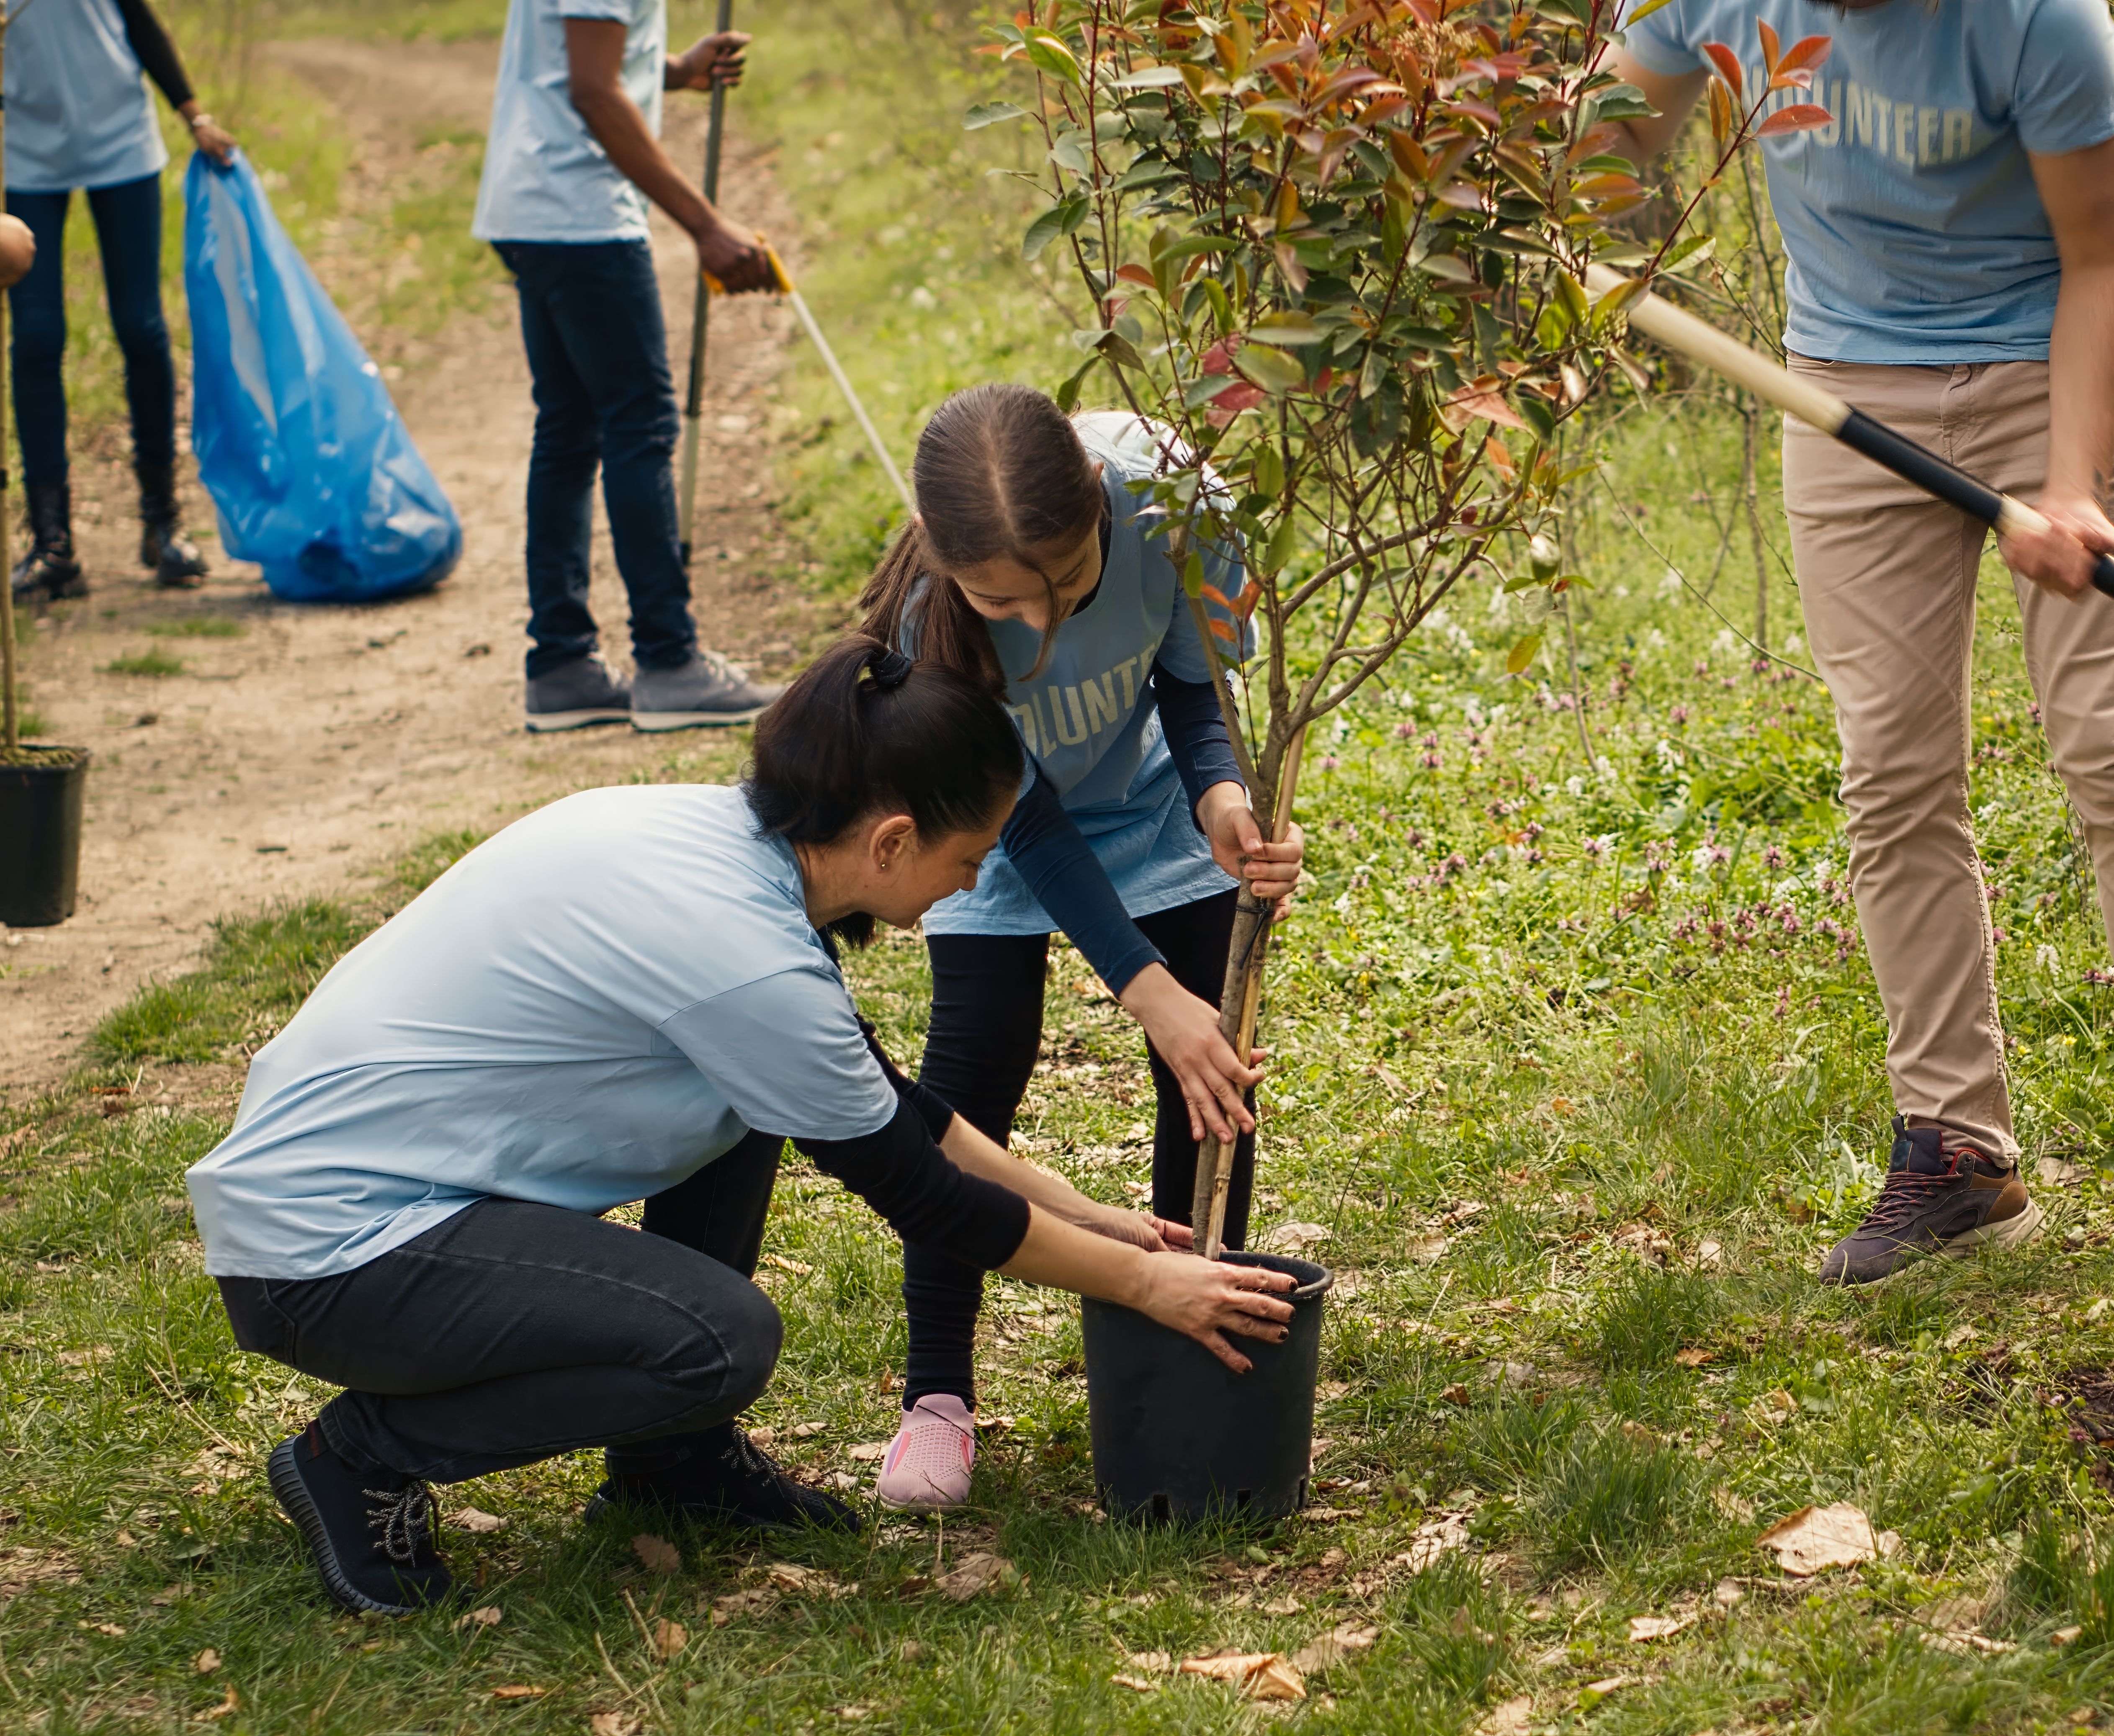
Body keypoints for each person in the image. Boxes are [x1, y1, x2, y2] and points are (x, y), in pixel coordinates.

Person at [186, 637, 1298, 1615]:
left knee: (758, 1105)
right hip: (330, 1255)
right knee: (719, 1340)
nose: (967, 886)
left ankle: (670, 1463)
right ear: (892, 841)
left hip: (378, 1201)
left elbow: (890, 1107)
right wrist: (1146, 1286)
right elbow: (926, 1198)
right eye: (968, 859)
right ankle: (359, 1456)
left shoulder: (722, 848)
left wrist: (1099, 1217)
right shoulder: (745, 959)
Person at [1607, 0, 2114, 1283]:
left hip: (2051, 362)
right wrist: (1500, 225)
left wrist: (2074, 483)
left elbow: (2105, 260)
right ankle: (1958, 1150)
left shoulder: (2038, 20)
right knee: (1893, 770)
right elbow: (1605, 152)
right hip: (1845, 386)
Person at [849, 385, 1303, 1509]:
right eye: (1005, 600)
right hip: (995, 826)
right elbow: (1027, 818)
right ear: (942, 555)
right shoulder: (926, 622)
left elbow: (1191, 685)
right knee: (972, 1078)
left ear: (1099, 498)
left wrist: (1221, 797)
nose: (1041, 620)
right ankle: (936, 1395)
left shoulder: (1175, 503)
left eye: (1067, 583)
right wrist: (1145, 988)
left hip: (1149, 803)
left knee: (1211, 1077)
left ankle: (1196, 1325)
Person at [469, 0, 785, 731]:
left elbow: (583, 54)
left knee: (570, 430)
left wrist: (673, 70)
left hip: (537, 206)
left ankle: (561, 666)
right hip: (578, 216)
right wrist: (705, 225)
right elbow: (593, 89)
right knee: (639, 425)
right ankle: (669, 662)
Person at [4, 0, 231, 601]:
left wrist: (195, 115)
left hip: (121, 142)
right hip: (25, 150)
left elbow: (139, 21)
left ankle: (163, 523)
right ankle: (53, 544)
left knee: (141, 327)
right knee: (37, 336)